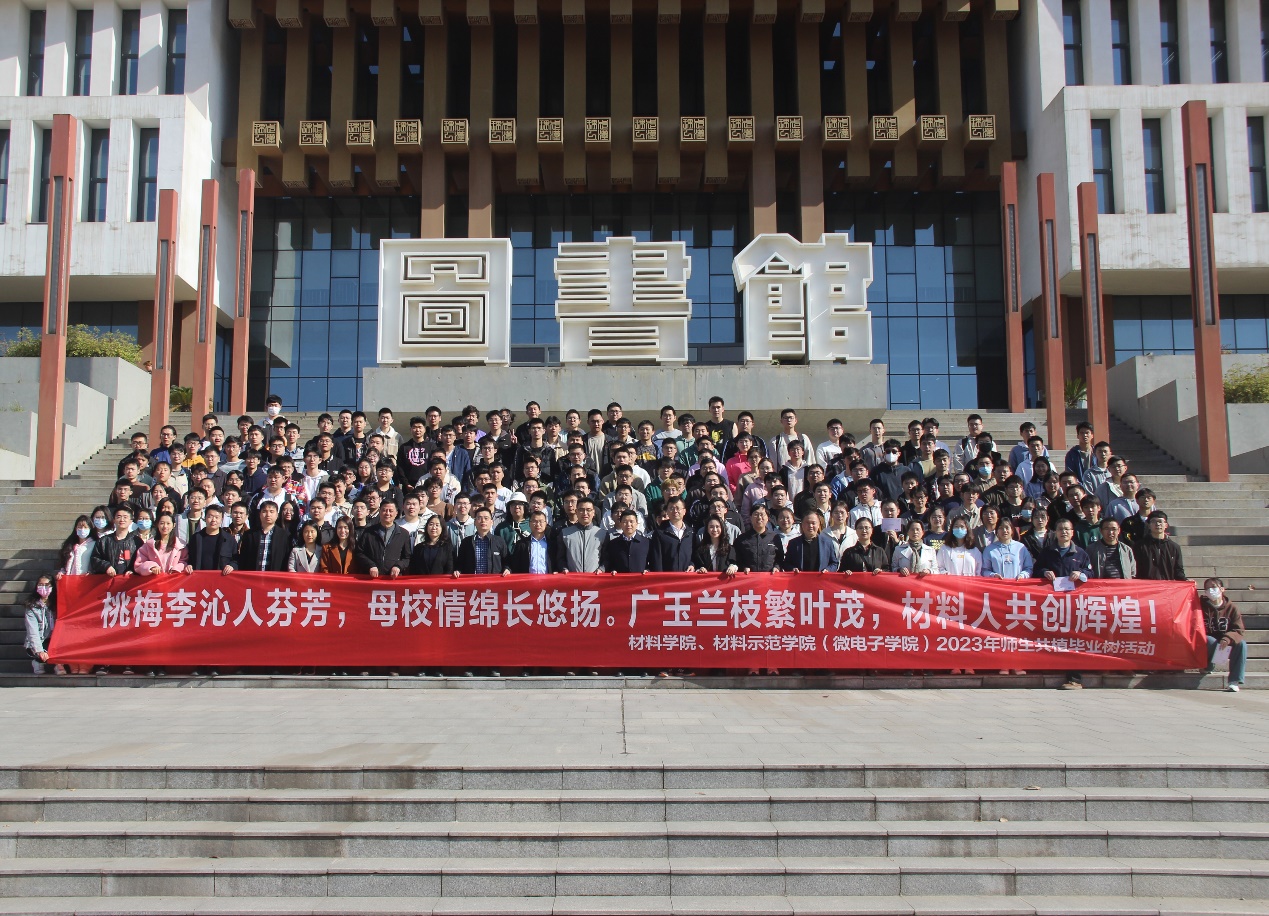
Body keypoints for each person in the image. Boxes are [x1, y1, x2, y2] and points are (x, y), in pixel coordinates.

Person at [1201, 578, 1246, 692]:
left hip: (1225, 642)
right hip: (1208, 643)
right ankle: (1207, 665)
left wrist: (1227, 638)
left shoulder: (1232, 608)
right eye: (1207, 588)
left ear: (1222, 589)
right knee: (1209, 640)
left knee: (1241, 644)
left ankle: (1234, 681)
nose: (1211, 590)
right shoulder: (1200, 607)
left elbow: (1238, 629)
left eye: (1213, 587)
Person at [356, 500, 411, 579]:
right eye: (384, 510)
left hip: (393, 579)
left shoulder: (403, 534)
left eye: (391, 511)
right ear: (379, 511)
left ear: (396, 513)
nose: (387, 513)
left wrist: (398, 566)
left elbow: (407, 558)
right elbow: (359, 553)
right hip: (372, 578)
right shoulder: (368, 532)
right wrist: (370, 565)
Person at [235, 501, 291, 573]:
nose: (268, 515)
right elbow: (243, 558)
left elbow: (286, 559)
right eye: (264, 511)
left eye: (271, 511)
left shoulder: (284, 535)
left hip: (275, 576)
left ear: (277, 515)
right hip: (253, 576)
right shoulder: (249, 534)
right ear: (260, 514)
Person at [1032, 518, 1092, 585]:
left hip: (1074, 590)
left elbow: (1090, 573)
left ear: (1072, 532)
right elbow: (1036, 570)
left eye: (1066, 529)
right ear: (1055, 532)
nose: (1063, 532)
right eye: (1060, 529)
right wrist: (1044, 572)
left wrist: (1080, 573)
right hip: (1051, 590)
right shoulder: (1046, 552)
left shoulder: (1080, 553)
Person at [455, 506, 509, 576]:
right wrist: (458, 571)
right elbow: (460, 564)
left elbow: (507, 562)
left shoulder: (499, 541)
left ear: (491, 522)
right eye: (479, 518)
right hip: (472, 581)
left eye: (486, 518)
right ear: (474, 522)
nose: (483, 521)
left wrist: (507, 569)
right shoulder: (466, 542)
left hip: (493, 581)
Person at [90, 505, 142, 576]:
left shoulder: (137, 541)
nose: (122, 520)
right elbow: (95, 559)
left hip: (130, 580)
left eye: (125, 517)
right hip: (109, 579)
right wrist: (106, 566)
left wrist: (133, 570)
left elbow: (142, 560)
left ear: (131, 521)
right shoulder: (104, 541)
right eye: (119, 517)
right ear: (114, 520)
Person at [1133, 510, 1186, 580]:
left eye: (1160, 521)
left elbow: (1178, 571)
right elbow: (1136, 570)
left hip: (1167, 585)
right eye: (1154, 521)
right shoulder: (1140, 546)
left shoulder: (1174, 547)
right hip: (1146, 585)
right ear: (1149, 525)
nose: (1157, 524)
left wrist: (1186, 580)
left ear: (1166, 525)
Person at [24, 575, 59, 675]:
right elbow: (32, 631)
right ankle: (38, 661)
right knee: (41, 652)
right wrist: (39, 651)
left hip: (54, 639)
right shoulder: (32, 607)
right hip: (41, 639)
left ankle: (58, 663)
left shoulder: (57, 604)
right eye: (41, 585)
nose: (44, 588)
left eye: (47, 585)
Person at [188, 505, 238, 574]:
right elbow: (188, 558)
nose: (213, 520)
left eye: (217, 517)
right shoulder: (196, 538)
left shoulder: (229, 539)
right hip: (199, 577)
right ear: (205, 518)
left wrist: (232, 566)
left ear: (222, 519)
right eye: (210, 516)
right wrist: (188, 565)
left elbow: (236, 560)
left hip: (221, 577)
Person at [649, 497, 695, 572]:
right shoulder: (660, 533)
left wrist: (692, 564)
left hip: (686, 576)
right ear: (667, 511)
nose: (675, 511)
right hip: (667, 577)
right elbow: (657, 559)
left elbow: (694, 556)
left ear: (684, 511)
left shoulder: (690, 532)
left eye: (678, 508)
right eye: (671, 508)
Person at [734, 504, 784, 573]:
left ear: (768, 518)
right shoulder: (741, 539)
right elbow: (736, 559)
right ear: (750, 517)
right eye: (756, 514)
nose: (759, 517)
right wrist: (743, 567)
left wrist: (777, 567)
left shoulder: (774, 538)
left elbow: (780, 558)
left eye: (762, 514)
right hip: (748, 577)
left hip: (769, 577)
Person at [509, 510, 561, 574]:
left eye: (541, 521)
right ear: (529, 523)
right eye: (534, 521)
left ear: (546, 523)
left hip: (547, 578)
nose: (538, 524)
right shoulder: (521, 544)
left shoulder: (552, 544)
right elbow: (515, 565)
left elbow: (557, 562)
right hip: (528, 579)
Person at [601, 509, 653, 573]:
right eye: (625, 522)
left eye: (631, 521)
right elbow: (609, 563)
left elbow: (653, 563)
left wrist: (648, 570)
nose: (628, 524)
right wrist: (612, 570)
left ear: (636, 523)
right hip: (620, 579)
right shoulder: (613, 544)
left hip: (641, 578)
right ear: (620, 523)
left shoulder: (647, 543)